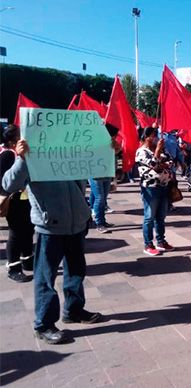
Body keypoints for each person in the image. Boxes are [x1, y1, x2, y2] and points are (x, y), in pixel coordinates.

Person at [3, 138, 103, 344]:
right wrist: (21, 159)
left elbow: (100, 174)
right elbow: (8, 185)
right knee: (45, 277)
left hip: (76, 223)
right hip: (50, 227)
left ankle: (73, 310)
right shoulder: (32, 156)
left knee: (76, 271)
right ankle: (44, 324)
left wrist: (108, 152)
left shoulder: (71, 153)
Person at [0, 125, 33, 283]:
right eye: (21, 136)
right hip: (14, 202)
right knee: (16, 234)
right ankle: (13, 267)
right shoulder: (7, 155)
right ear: (13, 141)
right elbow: (3, 182)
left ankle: (27, 260)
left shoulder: (24, 153)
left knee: (28, 231)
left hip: (25, 200)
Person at [135, 127, 175, 256]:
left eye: (156, 135)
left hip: (164, 186)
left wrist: (161, 161)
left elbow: (170, 161)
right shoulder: (141, 151)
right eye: (153, 135)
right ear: (146, 137)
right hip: (150, 188)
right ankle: (148, 244)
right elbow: (153, 164)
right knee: (149, 217)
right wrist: (158, 152)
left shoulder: (161, 149)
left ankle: (161, 241)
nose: (156, 138)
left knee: (161, 217)